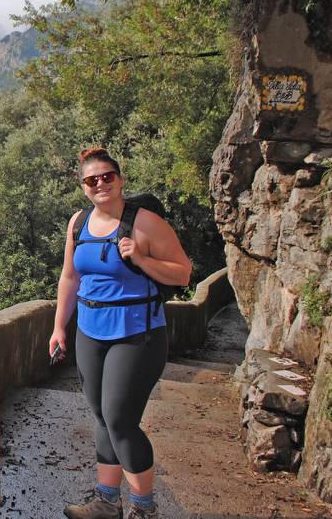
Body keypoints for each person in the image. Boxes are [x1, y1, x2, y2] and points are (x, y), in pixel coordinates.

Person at [48, 148, 193, 519]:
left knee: (119, 420)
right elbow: (70, 276)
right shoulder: (78, 224)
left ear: (120, 178)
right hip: (90, 332)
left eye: (107, 176)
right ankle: (107, 501)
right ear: (83, 187)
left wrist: (141, 259)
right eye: (91, 180)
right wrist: (58, 326)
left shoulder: (144, 223)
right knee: (100, 416)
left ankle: (144, 508)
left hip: (136, 334)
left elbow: (182, 273)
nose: (100, 184)